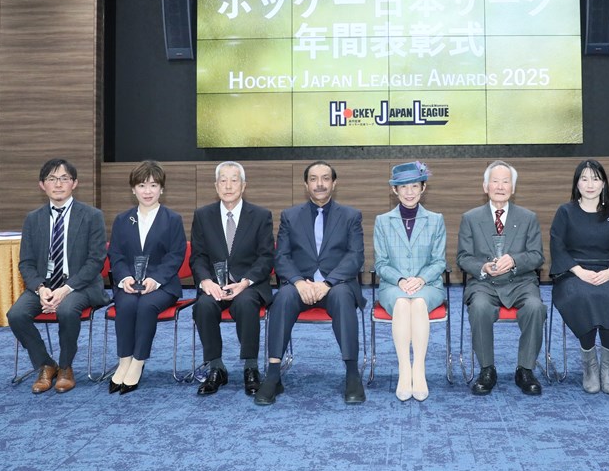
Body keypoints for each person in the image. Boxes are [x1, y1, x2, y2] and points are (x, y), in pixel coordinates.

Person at [255, 161, 366, 405]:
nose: (320, 184)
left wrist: (328, 283)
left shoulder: (350, 216)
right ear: (306, 185)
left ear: (334, 183)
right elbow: (282, 257)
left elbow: (355, 256)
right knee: (282, 298)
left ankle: (352, 374)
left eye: (325, 178)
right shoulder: (290, 216)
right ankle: (273, 375)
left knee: (342, 297)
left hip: (336, 285)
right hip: (300, 287)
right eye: (313, 179)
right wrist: (298, 282)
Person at [7, 158, 108, 394]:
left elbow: (95, 261)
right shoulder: (33, 219)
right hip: (44, 286)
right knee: (16, 315)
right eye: (52, 179)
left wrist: (65, 289)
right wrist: (40, 288)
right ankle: (46, 364)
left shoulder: (92, 216)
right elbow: (26, 263)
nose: (58, 184)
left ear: (75, 183)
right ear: (42, 185)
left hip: (80, 286)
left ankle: (65, 367)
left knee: (67, 309)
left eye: (64, 178)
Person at [549, 159, 609, 395]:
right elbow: (558, 246)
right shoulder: (565, 212)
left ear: (604, 184)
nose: (590, 184)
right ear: (577, 184)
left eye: (596, 179)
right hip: (573, 274)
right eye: (584, 179)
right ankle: (590, 366)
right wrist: (579, 271)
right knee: (583, 296)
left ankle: (608, 367)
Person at [457, 160, 545, 396]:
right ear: (485, 186)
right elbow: (463, 258)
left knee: (535, 307)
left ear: (513, 188)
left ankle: (525, 370)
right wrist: (483, 267)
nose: (500, 186)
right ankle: (487, 370)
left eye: (505, 182)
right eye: (494, 181)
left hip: (521, 282)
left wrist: (515, 260)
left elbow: (537, 256)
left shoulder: (528, 217)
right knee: (479, 308)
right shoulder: (470, 218)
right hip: (484, 283)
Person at [190, 161, 275, 396]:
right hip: (215, 285)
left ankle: (251, 367)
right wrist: (206, 281)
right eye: (223, 181)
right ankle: (216, 368)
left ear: (243, 185)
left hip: (248, 285)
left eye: (234, 180)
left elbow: (266, 257)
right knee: (203, 306)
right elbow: (198, 256)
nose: (228, 186)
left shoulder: (260, 216)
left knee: (246, 303)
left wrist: (245, 282)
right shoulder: (203, 215)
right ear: (216, 186)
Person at [106, 160, 187, 394]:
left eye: (153, 185)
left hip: (163, 286)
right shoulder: (123, 220)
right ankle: (124, 360)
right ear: (133, 189)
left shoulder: (172, 219)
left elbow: (176, 254)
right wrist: (125, 278)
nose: (147, 191)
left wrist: (156, 279)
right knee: (126, 305)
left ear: (162, 188)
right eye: (142, 185)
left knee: (146, 306)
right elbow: (116, 254)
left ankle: (138, 362)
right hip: (129, 284)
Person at [373, 161, 447, 401]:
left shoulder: (435, 220)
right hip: (393, 286)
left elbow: (439, 261)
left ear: (423, 188)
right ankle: (405, 370)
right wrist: (400, 280)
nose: (409, 192)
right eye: (403, 187)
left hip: (429, 285)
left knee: (419, 303)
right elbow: (380, 263)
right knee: (403, 303)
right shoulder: (382, 221)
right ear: (394, 190)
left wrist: (421, 279)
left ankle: (419, 369)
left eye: (414, 186)